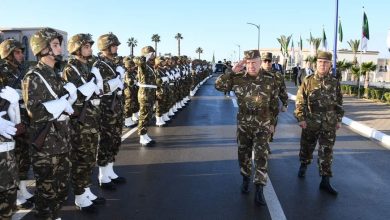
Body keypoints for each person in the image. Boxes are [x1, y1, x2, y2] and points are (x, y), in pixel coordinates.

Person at [22, 27, 76, 219]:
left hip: (62, 140)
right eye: (55, 45)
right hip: (45, 147)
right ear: (43, 49)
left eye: (59, 45)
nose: (60, 49)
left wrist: (69, 99)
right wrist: (61, 103)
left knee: (61, 189)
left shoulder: (55, 75)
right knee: (46, 193)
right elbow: (34, 112)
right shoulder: (33, 77)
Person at [215, 50, 278, 206]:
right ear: (245, 63)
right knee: (243, 153)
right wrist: (231, 71)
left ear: (260, 62)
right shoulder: (237, 78)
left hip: (262, 123)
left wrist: (272, 124)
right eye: (248, 63)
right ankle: (245, 177)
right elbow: (218, 86)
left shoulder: (270, 79)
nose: (251, 66)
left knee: (261, 155)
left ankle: (259, 188)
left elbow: (274, 104)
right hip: (244, 123)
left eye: (254, 62)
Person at [62, 33, 106, 212]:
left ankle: (86, 189)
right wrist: (86, 89)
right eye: (87, 47)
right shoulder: (70, 69)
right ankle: (79, 196)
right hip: (79, 122)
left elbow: (99, 92)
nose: (91, 49)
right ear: (77, 49)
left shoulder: (88, 68)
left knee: (89, 158)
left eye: (90, 46)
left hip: (92, 118)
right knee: (80, 158)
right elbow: (71, 97)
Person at [294, 51, 344, 195]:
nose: (323, 65)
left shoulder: (335, 82)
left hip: (329, 121)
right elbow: (300, 100)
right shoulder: (308, 80)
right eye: (320, 62)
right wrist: (301, 118)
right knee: (307, 146)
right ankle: (304, 163)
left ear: (330, 65)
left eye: (326, 62)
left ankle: (325, 180)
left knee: (327, 151)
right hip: (311, 121)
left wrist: (339, 119)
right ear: (317, 63)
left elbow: (339, 102)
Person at [0, 39, 34, 209]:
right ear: (8, 53)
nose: (21, 55)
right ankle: (15, 194)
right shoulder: (2, 70)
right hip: (8, 121)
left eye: (21, 51)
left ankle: (22, 189)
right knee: (13, 159)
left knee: (24, 157)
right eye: (17, 52)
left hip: (23, 119)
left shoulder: (22, 69)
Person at [92, 33, 126, 190]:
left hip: (117, 106)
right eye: (114, 45)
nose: (117, 47)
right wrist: (116, 81)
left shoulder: (115, 64)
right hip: (106, 108)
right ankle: (102, 176)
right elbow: (100, 89)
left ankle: (110, 171)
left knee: (115, 140)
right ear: (105, 47)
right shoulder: (98, 65)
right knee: (105, 141)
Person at [0, 87, 20, 220]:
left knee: (9, 204)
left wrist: (15, 107)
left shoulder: (3, 93)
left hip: (8, 161)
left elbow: (17, 127)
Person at [262, 53, 288, 145]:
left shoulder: (277, 75)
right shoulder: (256, 74)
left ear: (272, 62)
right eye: (265, 61)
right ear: (261, 62)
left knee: (271, 129)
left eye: (269, 61)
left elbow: (283, 90)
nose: (267, 63)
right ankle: (262, 146)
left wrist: (285, 104)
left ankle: (267, 142)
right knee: (261, 131)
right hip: (259, 109)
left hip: (273, 108)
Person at [133, 46, 157, 147]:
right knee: (144, 115)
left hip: (150, 92)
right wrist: (145, 56)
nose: (153, 55)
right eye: (151, 54)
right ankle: (142, 137)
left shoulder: (149, 66)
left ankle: (145, 134)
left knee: (148, 115)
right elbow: (137, 60)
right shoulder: (143, 65)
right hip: (145, 93)